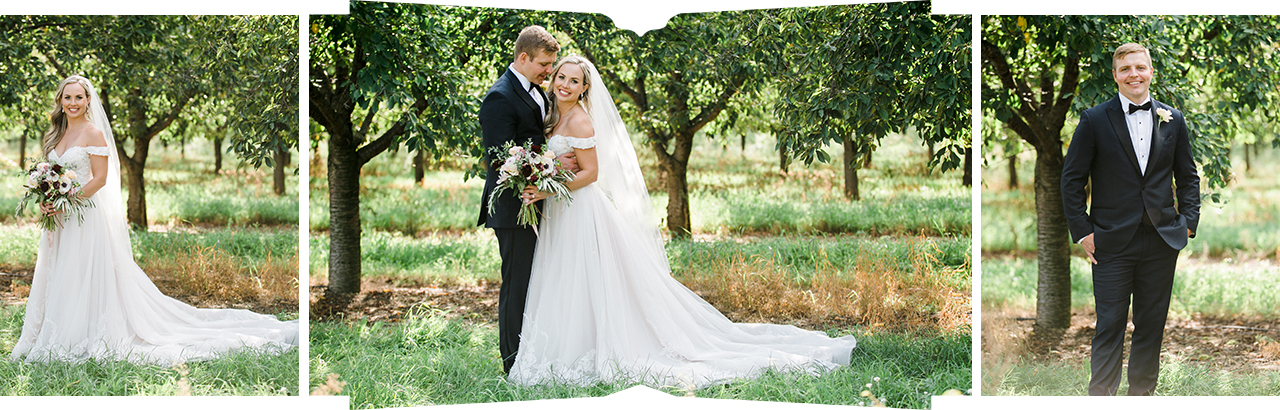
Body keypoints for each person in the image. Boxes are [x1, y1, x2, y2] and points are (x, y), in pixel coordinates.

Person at [508, 56, 857, 388]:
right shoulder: (552, 112)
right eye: (561, 77)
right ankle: (570, 343)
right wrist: (543, 175)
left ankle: (590, 348)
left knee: (585, 276)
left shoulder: (581, 119)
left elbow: (592, 173)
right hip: (561, 209)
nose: (565, 84)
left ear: (585, 88)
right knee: (566, 276)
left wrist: (547, 191)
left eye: (574, 81)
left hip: (580, 209)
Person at [10, 75, 298, 365]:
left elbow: (99, 180)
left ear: (87, 101)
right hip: (60, 219)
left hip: (84, 217)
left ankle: (81, 335)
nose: (73, 103)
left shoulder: (93, 133)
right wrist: (48, 200)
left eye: (78, 97)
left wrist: (67, 202)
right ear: (60, 100)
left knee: (83, 270)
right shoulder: (54, 135)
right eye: (67, 97)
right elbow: (51, 175)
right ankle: (59, 330)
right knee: (62, 271)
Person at [1061, 43, 1200, 396]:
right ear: (1115, 75)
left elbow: (1188, 177)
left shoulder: (1173, 119)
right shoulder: (1093, 120)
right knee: (1109, 324)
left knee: (1151, 326)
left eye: (1140, 67)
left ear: (1151, 71)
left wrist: (1188, 223)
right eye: (1125, 69)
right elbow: (1072, 179)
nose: (1133, 74)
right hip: (1110, 241)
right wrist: (1082, 232)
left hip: (1161, 240)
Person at [476, 25, 578, 374]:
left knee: (539, 281)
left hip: (540, 200)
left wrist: (553, 164)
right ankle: (512, 363)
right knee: (516, 284)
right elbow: (499, 158)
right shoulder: (500, 97)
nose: (550, 71)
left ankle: (537, 351)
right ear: (523, 58)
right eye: (545, 64)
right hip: (513, 207)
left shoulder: (536, 91)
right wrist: (546, 164)